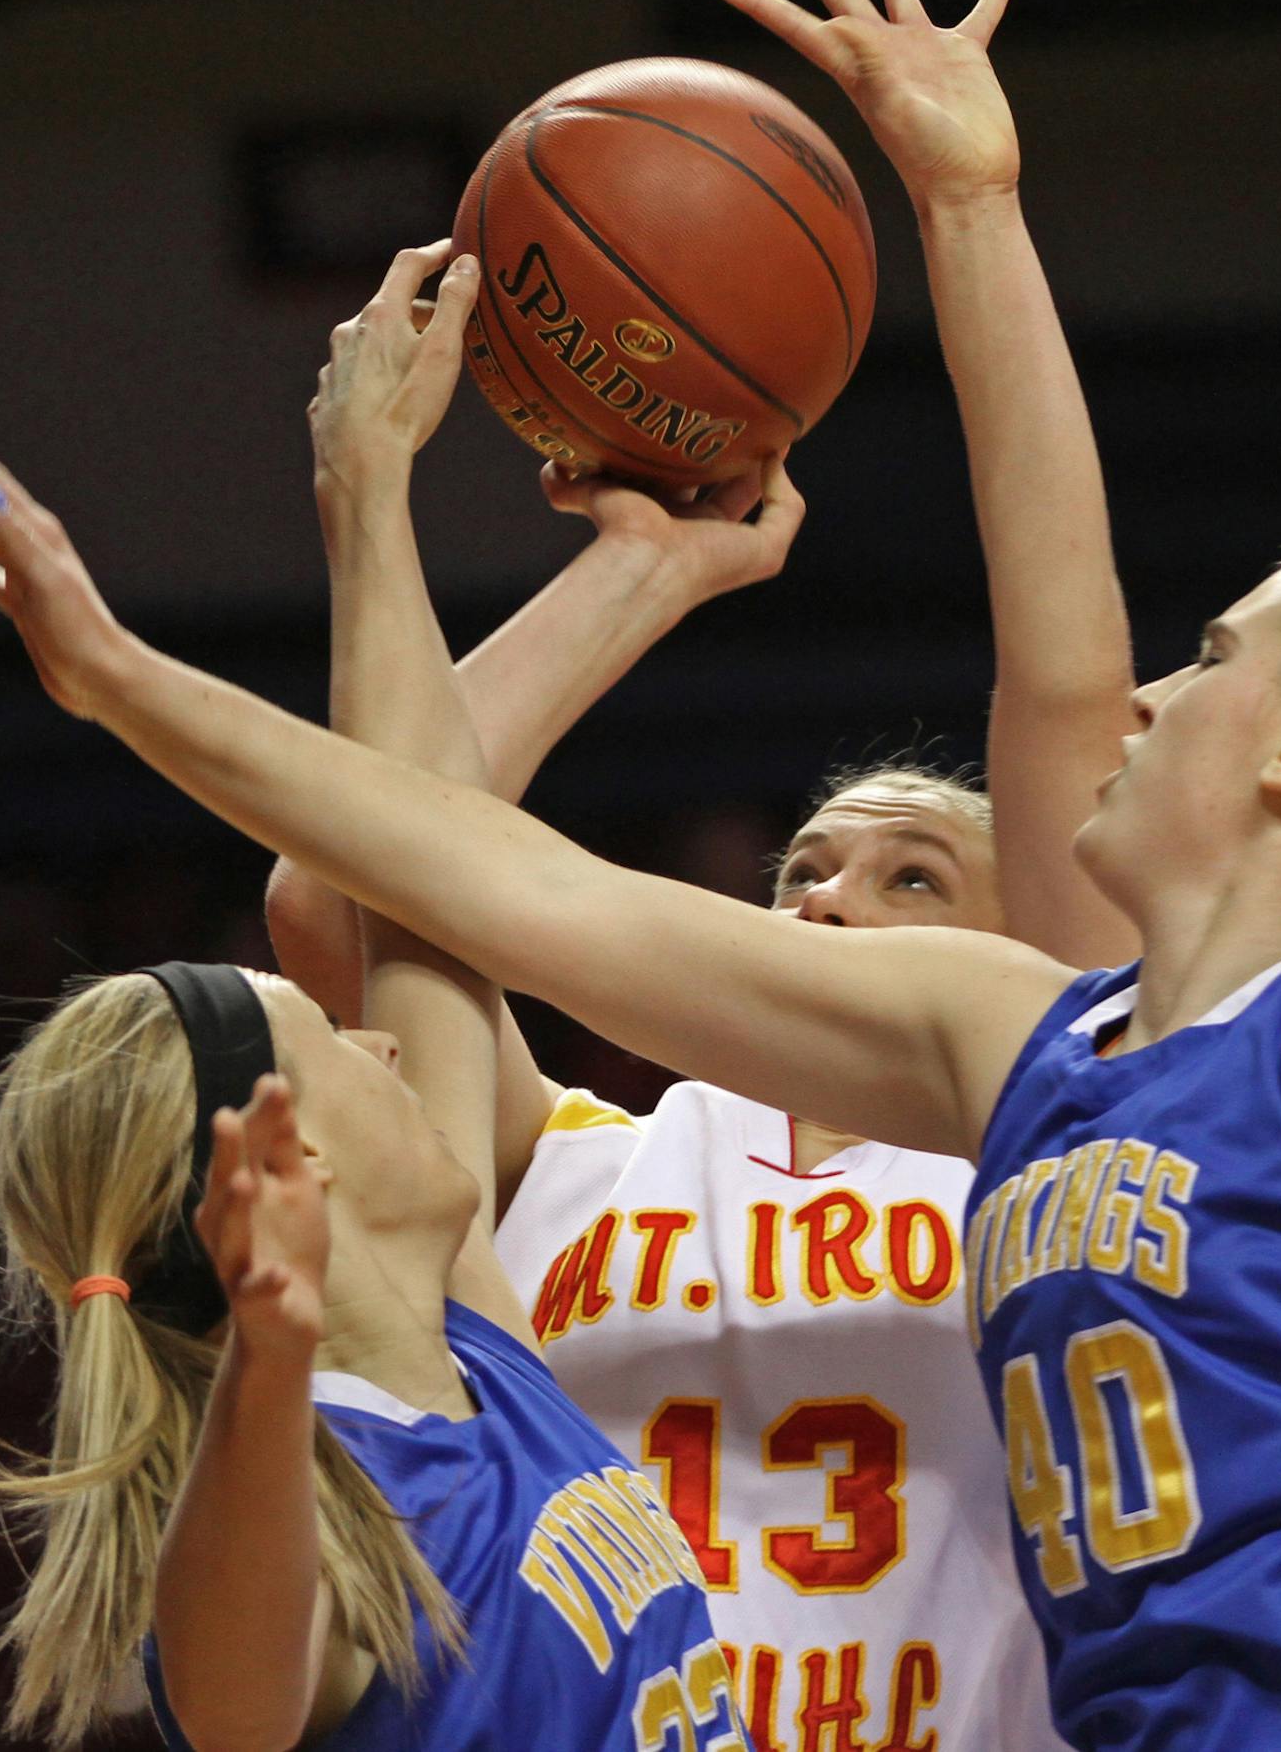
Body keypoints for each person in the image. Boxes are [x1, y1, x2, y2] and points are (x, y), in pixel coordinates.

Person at [0, 0, 1281, 1752]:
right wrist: (142, 677)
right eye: (816, 871)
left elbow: (1063, 662)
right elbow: (457, 877)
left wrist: (980, 220)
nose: (1155, 698)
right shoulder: (979, 1070)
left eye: (919, 868)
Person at [0, 249, 747, 1752]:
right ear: (290, 1167)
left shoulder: (478, 1355)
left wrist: (368, 490)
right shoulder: (303, 1513)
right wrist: (269, 1343)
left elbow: (420, 864)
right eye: (336, 1043)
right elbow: (238, 1688)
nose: (380, 1033)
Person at [261, 244, 1066, 1746]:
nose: (828, 899)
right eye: (806, 872)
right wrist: (644, 569)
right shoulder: (589, 1155)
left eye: (915, 880)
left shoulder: (1053, 1151)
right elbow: (346, 892)